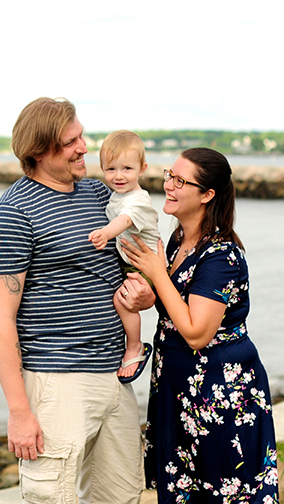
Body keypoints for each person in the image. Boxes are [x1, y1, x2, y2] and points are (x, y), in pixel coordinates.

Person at [0, 97, 155, 504]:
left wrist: (144, 293)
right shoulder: (13, 213)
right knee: (54, 498)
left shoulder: (99, 195)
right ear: (39, 152)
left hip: (116, 378)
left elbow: (132, 255)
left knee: (123, 496)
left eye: (81, 136)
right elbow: (0, 320)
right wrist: (19, 412)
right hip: (57, 385)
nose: (84, 148)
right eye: (70, 142)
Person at [122, 148, 278, 504]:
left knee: (224, 491)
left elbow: (197, 332)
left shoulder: (220, 254)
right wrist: (148, 296)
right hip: (177, 389)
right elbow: (176, 307)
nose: (169, 186)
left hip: (220, 395)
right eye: (168, 176)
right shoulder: (177, 241)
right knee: (181, 492)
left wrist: (157, 273)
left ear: (207, 195)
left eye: (181, 181)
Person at [88, 130, 159, 383]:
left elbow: (125, 219)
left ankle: (135, 346)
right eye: (111, 169)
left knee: (122, 301)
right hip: (127, 259)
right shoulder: (117, 196)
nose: (118, 176)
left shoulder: (138, 200)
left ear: (142, 169)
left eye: (127, 168)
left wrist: (105, 233)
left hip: (144, 264)